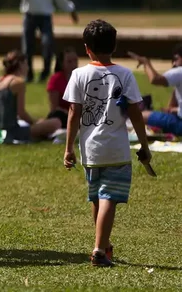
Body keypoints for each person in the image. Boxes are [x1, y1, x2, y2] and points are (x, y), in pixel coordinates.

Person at [63, 20, 152, 267]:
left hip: (90, 150)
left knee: (98, 198)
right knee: (108, 198)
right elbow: (135, 112)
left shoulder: (78, 74)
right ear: (114, 45)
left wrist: (68, 148)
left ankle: (105, 244)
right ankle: (99, 250)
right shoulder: (125, 74)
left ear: (86, 48)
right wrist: (144, 145)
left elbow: (73, 113)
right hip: (116, 149)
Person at [13, 0, 78, 83]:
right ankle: (29, 73)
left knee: (48, 44)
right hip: (29, 16)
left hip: (45, 17)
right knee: (27, 47)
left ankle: (45, 73)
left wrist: (70, 9)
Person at [0, 51, 63, 142]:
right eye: (26, 64)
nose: (28, 67)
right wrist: (35, 123)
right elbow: (21, 113)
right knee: (55, 122)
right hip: (11, 131)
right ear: (20, 64)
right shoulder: (18, 82)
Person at [128, 44, 182, 137]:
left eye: (176, 59)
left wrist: (146, 62)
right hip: (177, 118)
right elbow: (171, 106)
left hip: (179, 124)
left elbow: (155, 79)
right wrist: (175, 109)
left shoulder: (180, 71)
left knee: (139, 115)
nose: (174, 64)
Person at [46, 47, 79, 126]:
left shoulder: (80, 78)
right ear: (61, 63)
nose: (74, 64)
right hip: (61, 117)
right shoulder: (56, 79)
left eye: (75, 61)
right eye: (69, 62)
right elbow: (54, 108)